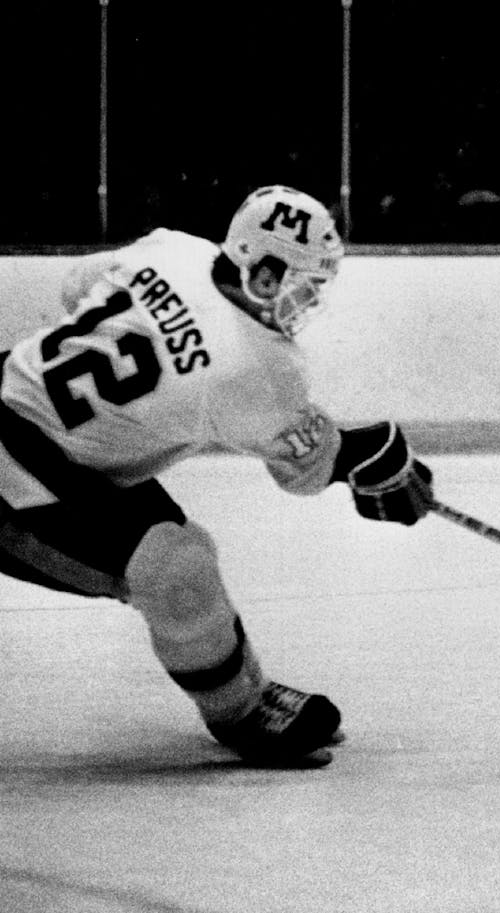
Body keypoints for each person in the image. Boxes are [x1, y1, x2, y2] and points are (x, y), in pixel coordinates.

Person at [0, 185, 435, 768]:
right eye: (305, 282)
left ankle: (245, 692)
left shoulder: (173, 249)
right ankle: (240, 712)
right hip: (20, 478)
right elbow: (301, 476)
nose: (308, 299)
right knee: (178, 570)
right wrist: (366, 459)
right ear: (265, 273)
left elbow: (78, 285)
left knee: (182, 552)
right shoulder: (260, 368)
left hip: (41, 426)